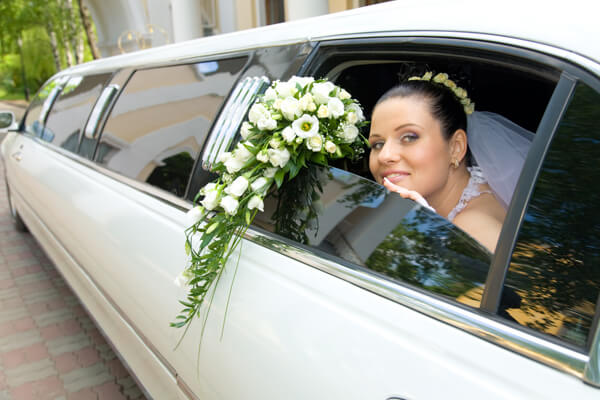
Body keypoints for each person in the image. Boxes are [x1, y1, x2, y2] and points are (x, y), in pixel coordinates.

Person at [368, 72, 532, 253]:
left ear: (456, 147)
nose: (384, 155)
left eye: (409, 137)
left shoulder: (471, 232)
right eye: (378, 144)